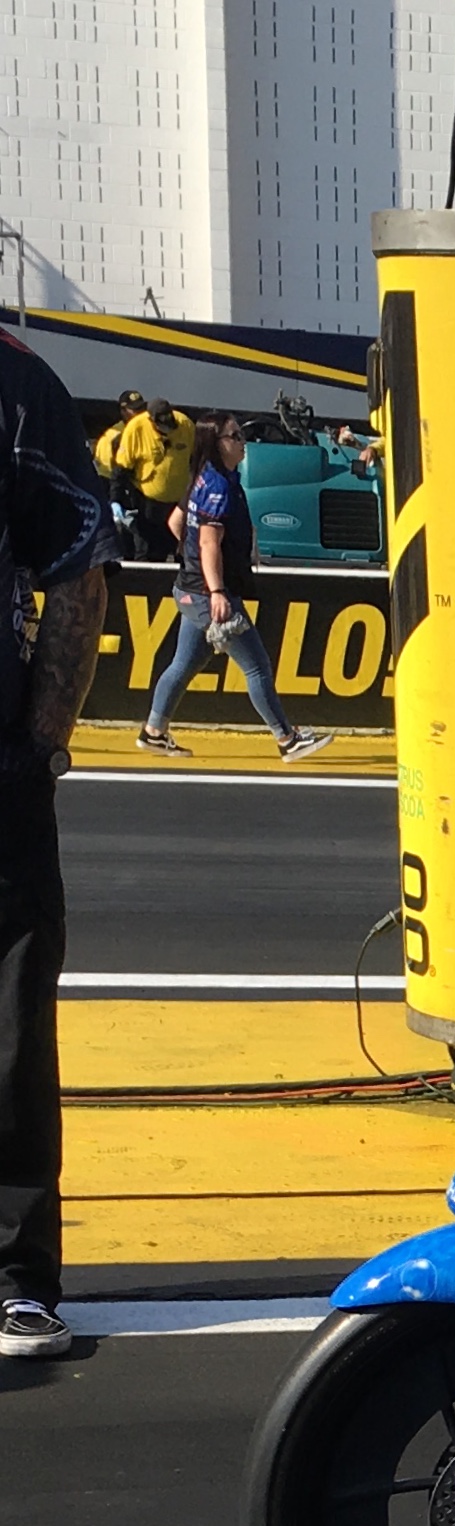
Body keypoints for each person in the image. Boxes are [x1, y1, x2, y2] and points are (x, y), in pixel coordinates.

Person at [1, 330, 121, 1359]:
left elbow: (80, 564)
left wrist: (39, 746)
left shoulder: (15, 385)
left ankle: (13, 1276)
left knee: (9, 1020)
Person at [135, 417, 328, 764]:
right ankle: (287, 739)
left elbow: (176, 523)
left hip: (190, 590)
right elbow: (209, 543)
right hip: (209, 596)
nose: (243, 442)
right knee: (257, 668)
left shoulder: (205, 478)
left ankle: (153, 732)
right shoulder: (218, 486)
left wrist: (195, 559)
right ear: (217, 442)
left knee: (183, 664)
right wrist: (217, 591)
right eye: (235, 436)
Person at [92, 392, 195, 560]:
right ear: (151, 420)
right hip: (146, 502)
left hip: (177, 504)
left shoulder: (185, 425)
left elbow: (195, 460)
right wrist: (116, 500)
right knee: (148, 551)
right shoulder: (135, 429)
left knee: (179, 550)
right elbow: (121, 469)